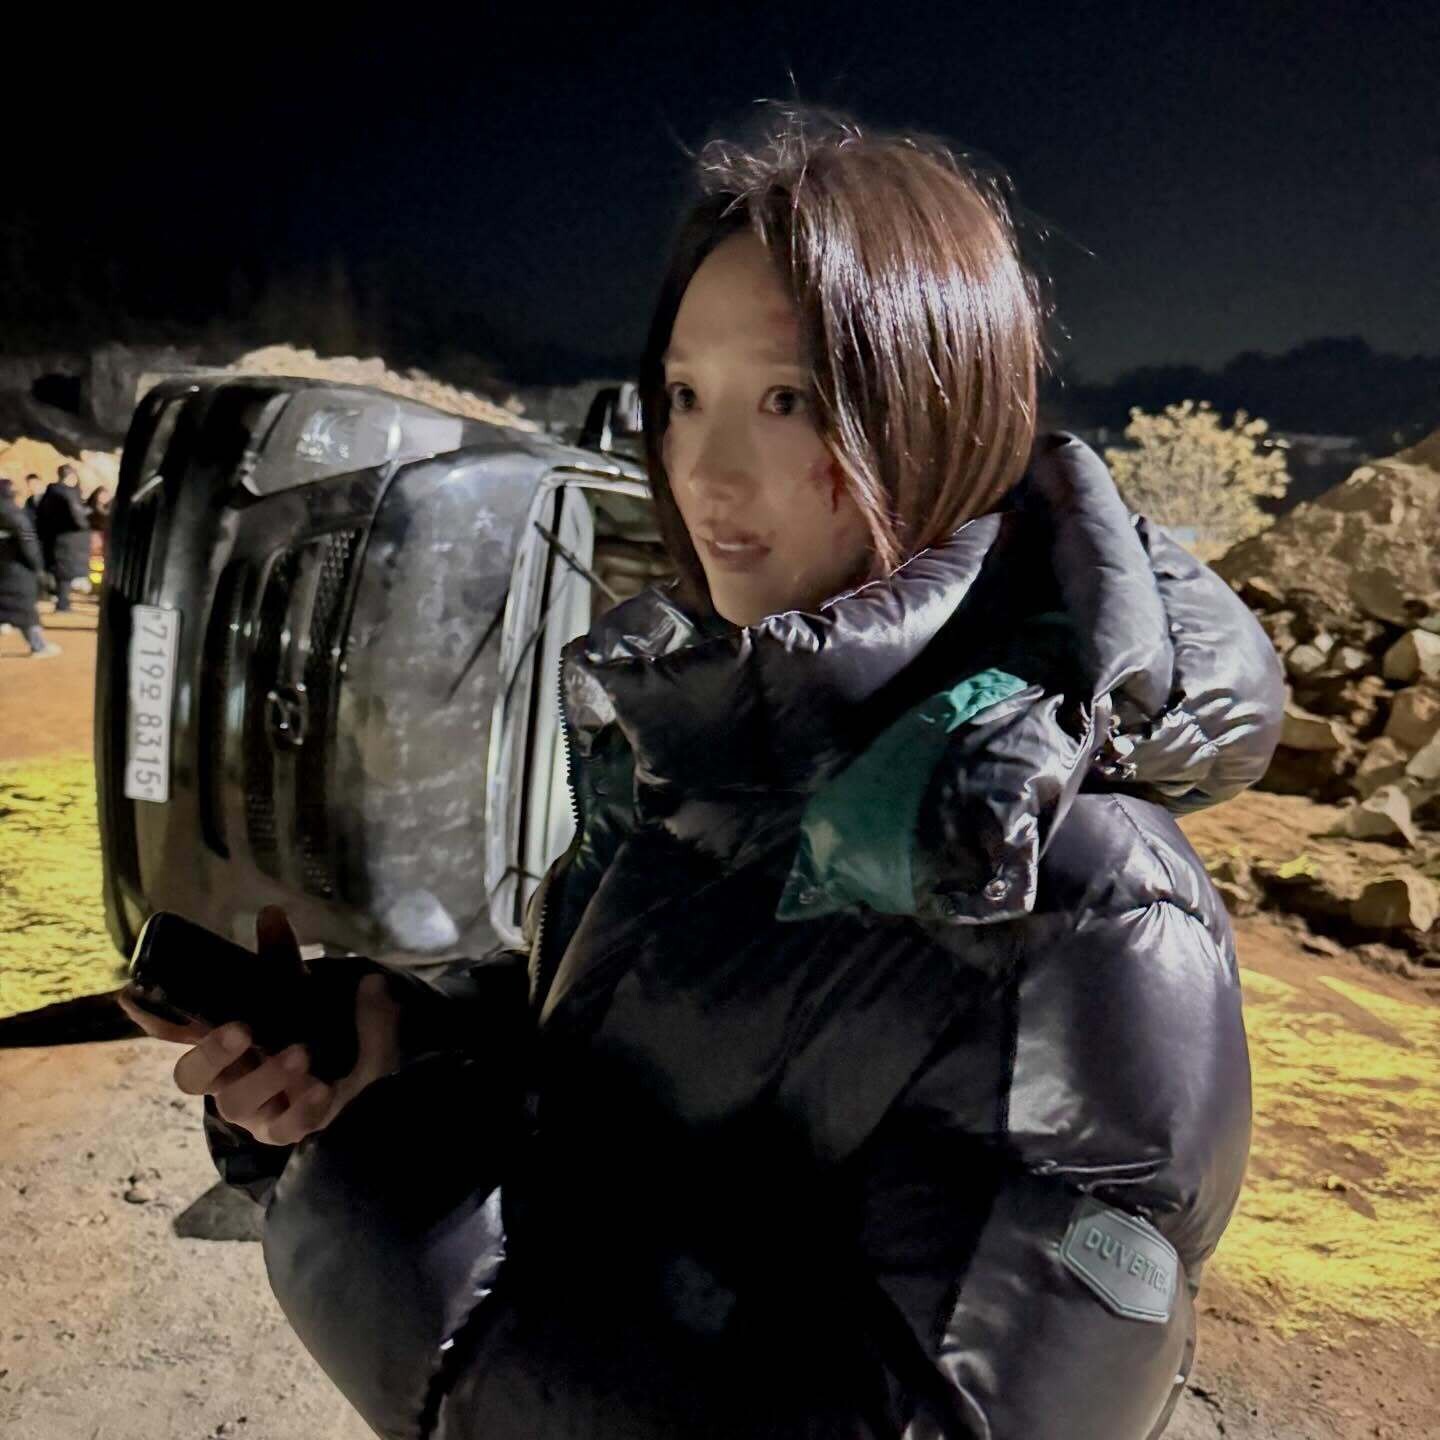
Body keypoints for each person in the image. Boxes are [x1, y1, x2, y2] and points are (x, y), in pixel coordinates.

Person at [117, 105, 1284, 1440]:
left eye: (789, 400)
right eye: (682, 397)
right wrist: (376, 1069)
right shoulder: (713, 762)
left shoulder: (1086, 906)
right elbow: (619, 1091)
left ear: (937, 414)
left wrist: (392, 1215)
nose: (706, 472)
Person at [0, 477, 62, 657]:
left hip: (3, 569)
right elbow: (29, 545)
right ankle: (39, 646)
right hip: (18, 572)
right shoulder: (16, 516)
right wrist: (39, 568)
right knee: (26, 612)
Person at [35, 463, 91, 612]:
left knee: (60, 572)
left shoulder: (50, 493)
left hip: (53, 539)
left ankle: (61, 601)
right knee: (65, 573)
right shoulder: (67, 494)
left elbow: (40, 517)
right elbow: (77, 518)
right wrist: (85, 523)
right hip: (68, 540)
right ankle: (63, 603)